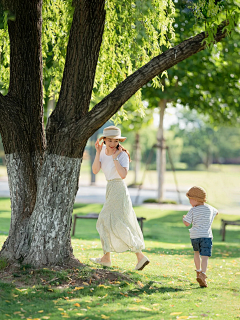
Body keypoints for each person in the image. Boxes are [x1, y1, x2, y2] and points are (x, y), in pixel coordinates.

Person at [90, 125, 149, 270]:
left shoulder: (122, 155)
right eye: (109, 140)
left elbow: (123, 175)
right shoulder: (102, 152)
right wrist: (97, 152)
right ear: (104, 140)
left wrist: (116, 158)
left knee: (108, 221)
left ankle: (135, 256)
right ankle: (109, 258)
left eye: (115, 141)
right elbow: (95, 170)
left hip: (119, 188)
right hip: (110, 188)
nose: (112, 143)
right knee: (112, 222)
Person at [183, 186, 218, 287]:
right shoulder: (210, 208)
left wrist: (184, 218)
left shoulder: (193, 210)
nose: (190, 202)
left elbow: (186, 223)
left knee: (196, 253)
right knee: (205, 256)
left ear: (196, 199)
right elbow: (217, 212)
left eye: (190, 199)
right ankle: (203, 274)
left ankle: (198, 272)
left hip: (195, 236)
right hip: (206, 236)